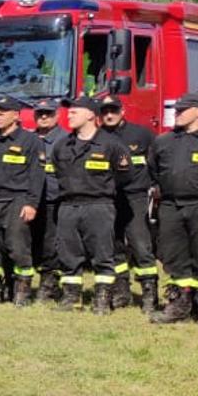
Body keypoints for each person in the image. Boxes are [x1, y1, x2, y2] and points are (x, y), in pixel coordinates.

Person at [51, 97, 133, 313]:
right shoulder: (62, 145)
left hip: (99, 205)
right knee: (68, 254)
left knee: (102, 254)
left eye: (74, 111)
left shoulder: (111, 144)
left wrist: (103, 187)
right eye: (69, 112)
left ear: (90, 115)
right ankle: (71, 297)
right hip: (68, 206)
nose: (69, 115)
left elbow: (125, 174)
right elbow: (58, 172)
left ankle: (102, 298)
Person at [0, 96, 47, 306]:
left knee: (17, 246)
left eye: (1, 114)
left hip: (17, 199)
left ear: (16, 115)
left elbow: (36, 175)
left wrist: (32, 203)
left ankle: (22, 292)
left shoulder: (31, 141)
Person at [147, 93, 198, 323]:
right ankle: (179, 305)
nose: (177, 114)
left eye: (183, 110)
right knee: (174, 256)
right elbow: (153, 171)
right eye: (177, 110)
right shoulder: (164, 141)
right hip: (171, 205)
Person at [97, 97, 158, 314]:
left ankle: (150, 294)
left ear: (122, 111)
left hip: (135, 197)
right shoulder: (98, 136)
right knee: (113, 246)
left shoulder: (141, 134)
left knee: (140, 245)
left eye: (113, 110)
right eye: (104, 112)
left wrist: (156, 186)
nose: (109, 115)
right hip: (108, 198)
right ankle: (121, 290)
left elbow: (156, 161)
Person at [31, 101, 68, 302]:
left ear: (57, 115)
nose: (43, 117)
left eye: (48, 114)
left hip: (53, 199)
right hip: (30, 201)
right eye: (40, 114)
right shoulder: (28, 138)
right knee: (32, 243)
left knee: (50, 245)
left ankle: (50, 284)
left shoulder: (65, 140)